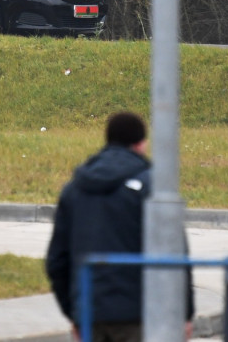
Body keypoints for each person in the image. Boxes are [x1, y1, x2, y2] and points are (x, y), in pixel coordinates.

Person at [45, 111, 194, 342]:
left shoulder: (75, 189)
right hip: (138, 315)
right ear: (141, 144)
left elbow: (57, 260)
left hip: (90, 313)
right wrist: (184, 313)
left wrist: (75, 313)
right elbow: (175, 254)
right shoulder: (152, 188)